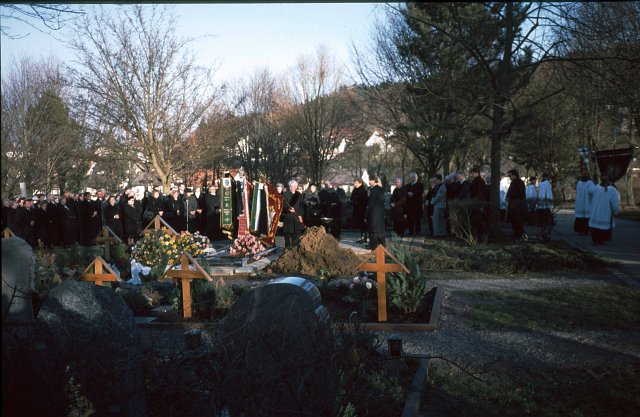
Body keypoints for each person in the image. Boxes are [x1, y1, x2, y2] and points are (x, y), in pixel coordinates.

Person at [588, 175, 620, 245]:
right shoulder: (612, 190)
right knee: (603, 227)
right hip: (605, 213)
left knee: (595, 227)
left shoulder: (596, 188)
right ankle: (601, 240)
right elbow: (614, 203)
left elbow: (589, 192)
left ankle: (596, 239)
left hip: (595, 213)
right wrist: (616, 211)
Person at [282, 179, 305, 247]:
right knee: (287, 238)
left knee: (296, 238)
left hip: (296, 218)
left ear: (296, 187)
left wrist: (300, 215)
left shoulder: (299, 195)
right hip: (288, 218)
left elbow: (301, 206)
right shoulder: (285, 194)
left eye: (294, 186)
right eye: (291, 186)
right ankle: (287, 249)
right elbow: (283, 206)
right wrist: (289, 210)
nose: (292, 188)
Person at [366, 175, 386, 248]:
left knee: (374, 233)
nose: (369, 182)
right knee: (381, 234)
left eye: (370, 180)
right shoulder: (381, 189)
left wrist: (366, 215)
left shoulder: (373, 190)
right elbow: (383, 200)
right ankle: (383, 248)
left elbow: (370, 204)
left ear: (374, 181)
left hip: (374, 215)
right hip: (380, 215)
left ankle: (374, 248)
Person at [506, 169, 526, 239]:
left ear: (514, 175)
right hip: (515, 203)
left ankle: (518, 233)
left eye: (510, 176)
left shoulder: (517, 182)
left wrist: (510, 197)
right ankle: (517, 232)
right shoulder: (517, 182)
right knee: (515, 219)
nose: (510, 177)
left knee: (516, 219)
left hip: (516, 204)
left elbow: (516, 193)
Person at [350, 178, 368, 244]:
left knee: (363, 225)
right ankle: (362, 238)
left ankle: (364, 238)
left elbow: (364, 201)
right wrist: (352, 201)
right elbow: (352, 197)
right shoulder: (355, 189)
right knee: (360, 225)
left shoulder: (363, 190)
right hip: (357, 210)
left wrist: (355, 202)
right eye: (355, 183)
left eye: (356, 183)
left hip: (362, 210)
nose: (355, 184)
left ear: (360, 183)